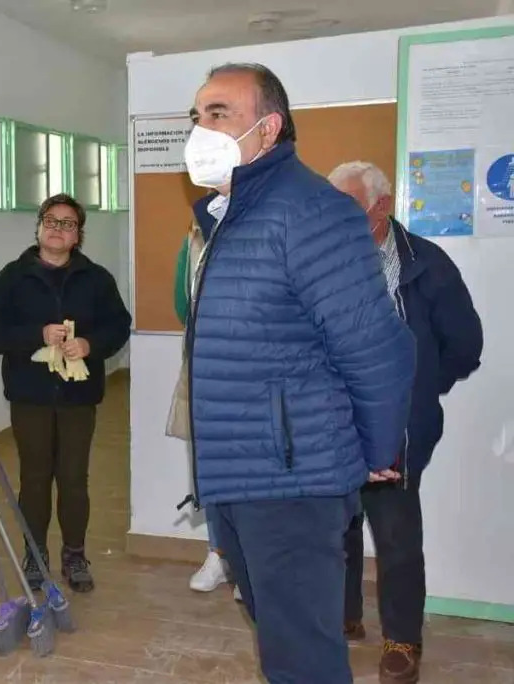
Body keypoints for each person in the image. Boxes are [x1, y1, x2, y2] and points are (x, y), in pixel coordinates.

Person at [178, 63, 417, 684]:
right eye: (197, 115)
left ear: (268, 127)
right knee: (279, 638)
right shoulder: (231, 216)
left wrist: (376, 448)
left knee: (302, 658)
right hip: (240, 474)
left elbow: (379, 347)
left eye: (219, 113)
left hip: (291, 480)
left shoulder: (310, 211)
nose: (200, 128)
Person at [330, 161, 483, 684]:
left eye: (348, 205)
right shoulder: (324, 263)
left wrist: (421, 389)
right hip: (332, 424)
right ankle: (344, 617)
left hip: (395, 428)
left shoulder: (427, 264)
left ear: (382, 205)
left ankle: (401, 638)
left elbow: (465, 343)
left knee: (394, 535)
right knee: (336, 528)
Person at [0, 194, 130, 594]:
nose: (57, 228)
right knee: (34, 478)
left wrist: (89, 345)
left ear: (78, 235)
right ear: (38, 226)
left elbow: (118, 326)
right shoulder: (11, 277)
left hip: (79, 398)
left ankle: (75, 554)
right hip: (30, 396)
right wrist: (37, 335)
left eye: (67, 223)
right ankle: (35, 553)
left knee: (74, 479)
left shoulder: (96, 279)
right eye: (51, 220)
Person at [169, 221, 230, 594]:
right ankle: (218, 552)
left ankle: (246, 562)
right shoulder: (192, 237)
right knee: (209, 466)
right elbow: (182, 304)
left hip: (255, 370)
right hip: (203, 366)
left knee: (250, 468)